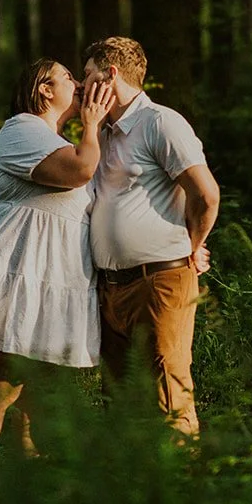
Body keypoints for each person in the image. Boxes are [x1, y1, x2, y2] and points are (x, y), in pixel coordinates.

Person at [0, 58, 114, 483]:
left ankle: (31, 488)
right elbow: (80, 171)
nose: (79, 84)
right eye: (69, 78)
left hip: (48, 279)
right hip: (12, 271)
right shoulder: (22, 129)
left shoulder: (55, 139)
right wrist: (92, 124)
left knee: (36, 393)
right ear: (44, 89)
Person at [81, 36, 220, 437]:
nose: (81, 84)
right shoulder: (101, 133)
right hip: (110, 289)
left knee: (167, 395)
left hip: (159, 280)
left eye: (87, 74)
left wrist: (192, 246)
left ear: (110, 74)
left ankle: (183, 474)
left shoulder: (160, 122)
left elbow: (206, 194)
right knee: (121, 401)